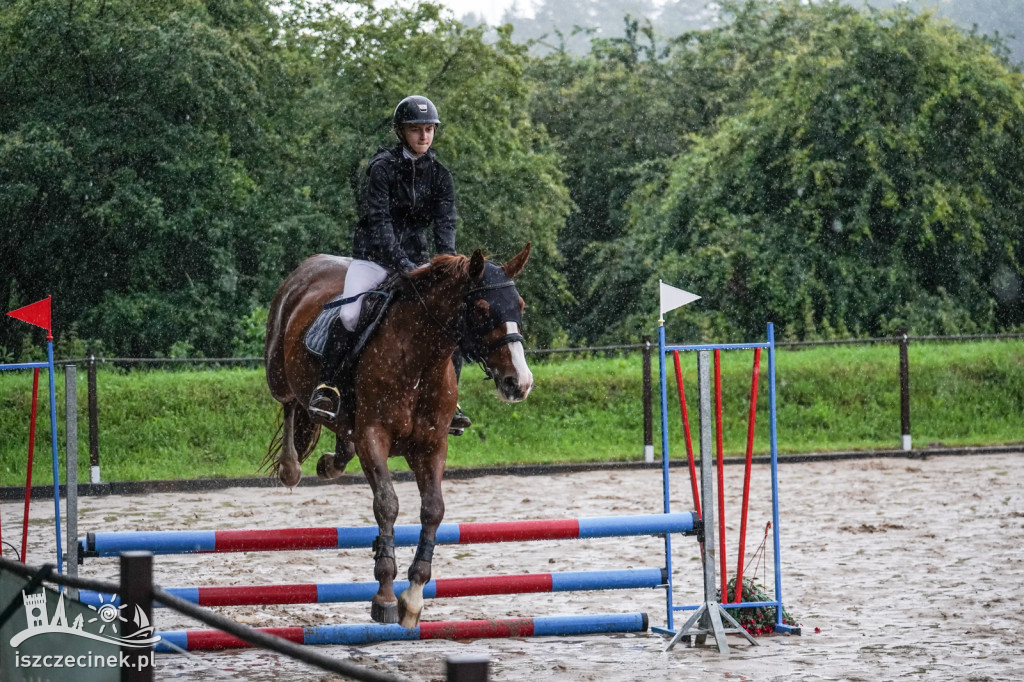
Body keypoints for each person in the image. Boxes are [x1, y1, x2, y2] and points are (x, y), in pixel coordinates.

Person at [309, 95, 473, 434]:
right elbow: (380, 223)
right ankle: (328, 388)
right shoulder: (382, 168)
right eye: (416, 130)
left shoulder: (441, 175)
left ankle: (450, 400)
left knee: (449, 319)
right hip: (375, 259)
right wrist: (401, 263)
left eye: (429, 130)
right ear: (401, 132)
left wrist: (447, 264)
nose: (424, 137)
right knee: (351, 314)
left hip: (420, 262)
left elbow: (446, 224)